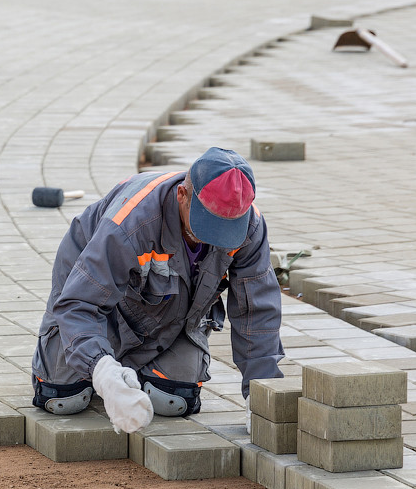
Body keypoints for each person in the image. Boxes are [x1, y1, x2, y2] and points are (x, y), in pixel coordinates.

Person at [31, 147, 284, 434]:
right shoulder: (131, 222)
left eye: (227, 227)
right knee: (62, 398)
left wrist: (261, 394)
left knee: (173, 400)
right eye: (208, 223)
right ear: (182, 196)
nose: (216, 237)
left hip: (170, 315)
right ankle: (101, 359)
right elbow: (79, 304)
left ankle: (130, 365)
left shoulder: (249, 225)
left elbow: (257, 310)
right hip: (88, 290)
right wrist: (104, 373)